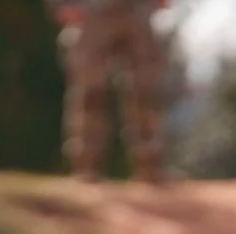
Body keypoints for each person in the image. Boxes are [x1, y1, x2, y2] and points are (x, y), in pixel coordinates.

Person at [59, 0, 168, 184]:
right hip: (91, 10)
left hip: (136, 9)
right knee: (89, 92)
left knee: (144, 91)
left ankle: (150, 168)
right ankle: (86, 167)